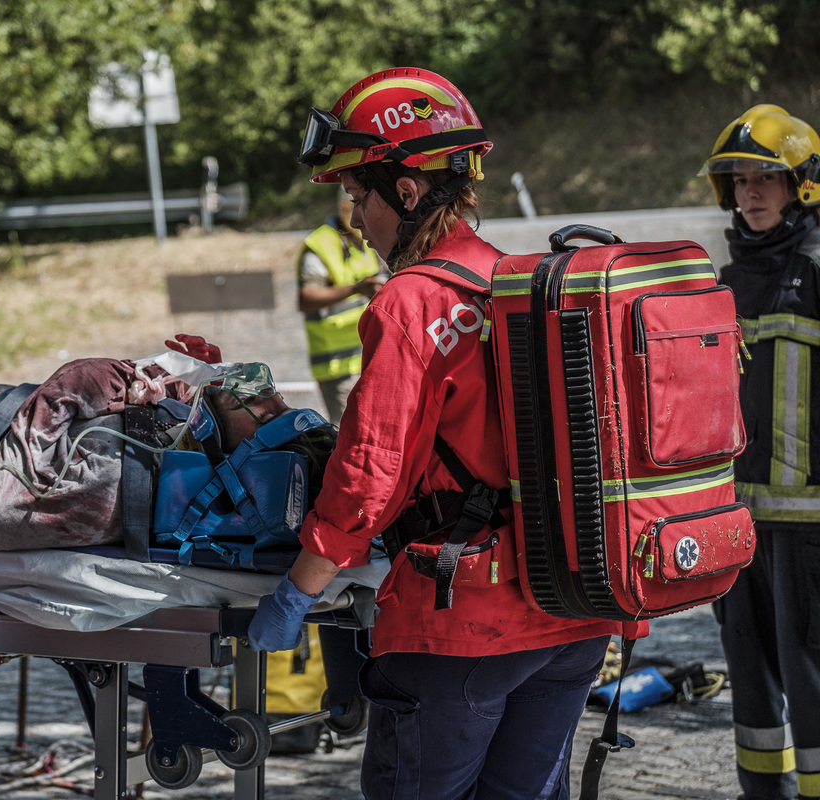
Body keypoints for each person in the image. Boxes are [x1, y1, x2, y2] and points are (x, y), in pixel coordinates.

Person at [247, 67, 623, 798]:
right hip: (573, 621)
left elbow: (367, 478)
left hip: (464, 630)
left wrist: (297, 594)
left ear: (408, 190)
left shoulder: (411, 304)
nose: (357, 220)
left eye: (360, 196)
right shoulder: (520, 282)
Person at [700, 104, 820, 800]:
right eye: (739, 180)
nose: (749, 192)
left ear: (803, 183)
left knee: (811, 684)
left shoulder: (817, 268)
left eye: (765, 178)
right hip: (735, 527)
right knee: (749, 679)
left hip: (810, 528)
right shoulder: (724, 282)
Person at [297, 187, 384, 423]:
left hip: (368, 357)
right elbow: (306, 298)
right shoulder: (321, 245)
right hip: (336, 366)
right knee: (350, 437)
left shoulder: (365, 241)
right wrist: (356, 289)